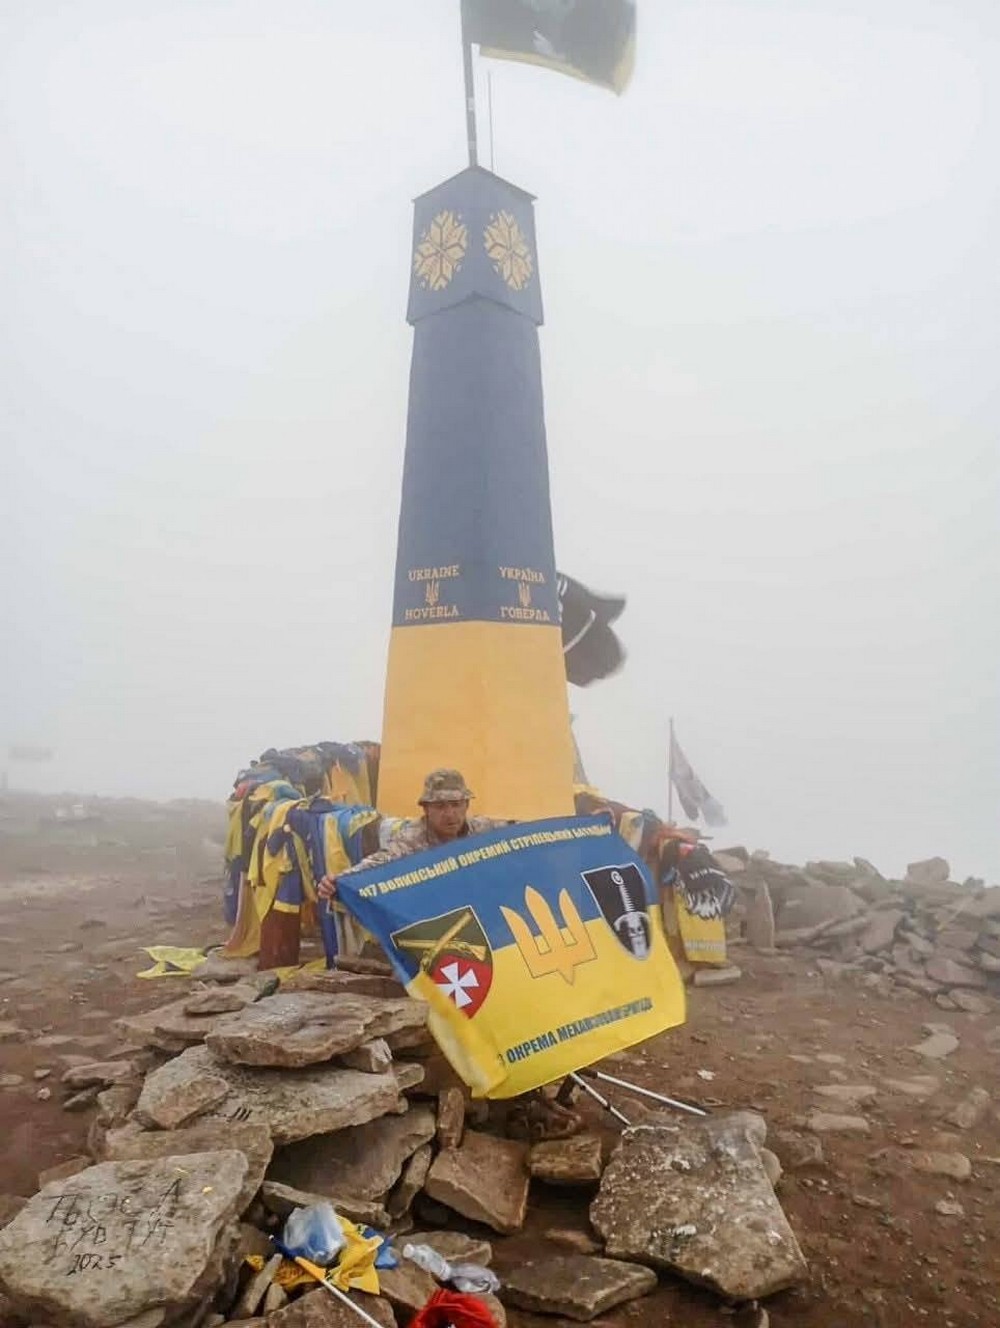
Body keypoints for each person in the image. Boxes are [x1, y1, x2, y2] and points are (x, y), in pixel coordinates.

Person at [316, 768, 508, 899]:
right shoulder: (412, 838)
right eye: (440, 806)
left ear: (467, 805)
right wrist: (339, 881)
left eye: (456, 805)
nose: (450, 814)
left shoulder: (483, 828)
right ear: (426, 809)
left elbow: (523, 835)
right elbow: (380, 862)